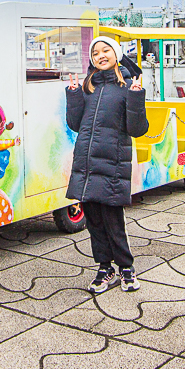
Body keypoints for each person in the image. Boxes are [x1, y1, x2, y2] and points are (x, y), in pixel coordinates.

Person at [66, 36, 149, 293]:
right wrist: (73, 96)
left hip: (113, 165)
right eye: (95, 53)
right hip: (87, 166)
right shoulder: (89, 87)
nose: (100, 56)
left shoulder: (127, 86)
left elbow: (137, 129)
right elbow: (75, 125)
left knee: (114, 222)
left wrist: (136, 98)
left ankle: (126, 268)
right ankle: (104, 268)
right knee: (94, 222)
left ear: (116, 53)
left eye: (106, 50)